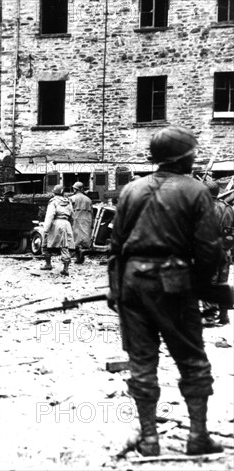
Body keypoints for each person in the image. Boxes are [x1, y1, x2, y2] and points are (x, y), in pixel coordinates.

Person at [108, 125, 223, 457]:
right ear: (184, 157)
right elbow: (208, 251)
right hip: (175, 284)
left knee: (141, 360)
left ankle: (148, 439)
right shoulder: (196, 191)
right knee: (191, 359)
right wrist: (200, 286)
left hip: (131, 283)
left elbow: (116, 248)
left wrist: (116, 291)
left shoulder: (130, 190)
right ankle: (198, 437)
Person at [201, 180, 233, 325]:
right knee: (222, 282)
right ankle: (224, 315)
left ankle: (209, 315)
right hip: (225, 250)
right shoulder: (228, 208)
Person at [41, 185, 74, 275]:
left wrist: (46, 228)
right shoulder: (68, 201)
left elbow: (50, 215)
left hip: (55, 224)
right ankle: (66, 268)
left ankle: (48, 264)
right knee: (65, 245)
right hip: (66, 223)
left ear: (54, 192)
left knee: (45, 243)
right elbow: (72, 215)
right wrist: (70, 225)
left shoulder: (53, 201)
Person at [69, 181, 93, 264]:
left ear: (75, 189)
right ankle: (81, 255)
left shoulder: (72, 198)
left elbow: (69, 210)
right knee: (84, 239)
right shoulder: (89, 199)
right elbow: (92, 212)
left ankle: (78, 257)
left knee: (75, 240)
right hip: (87, 220)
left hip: (76, 220)